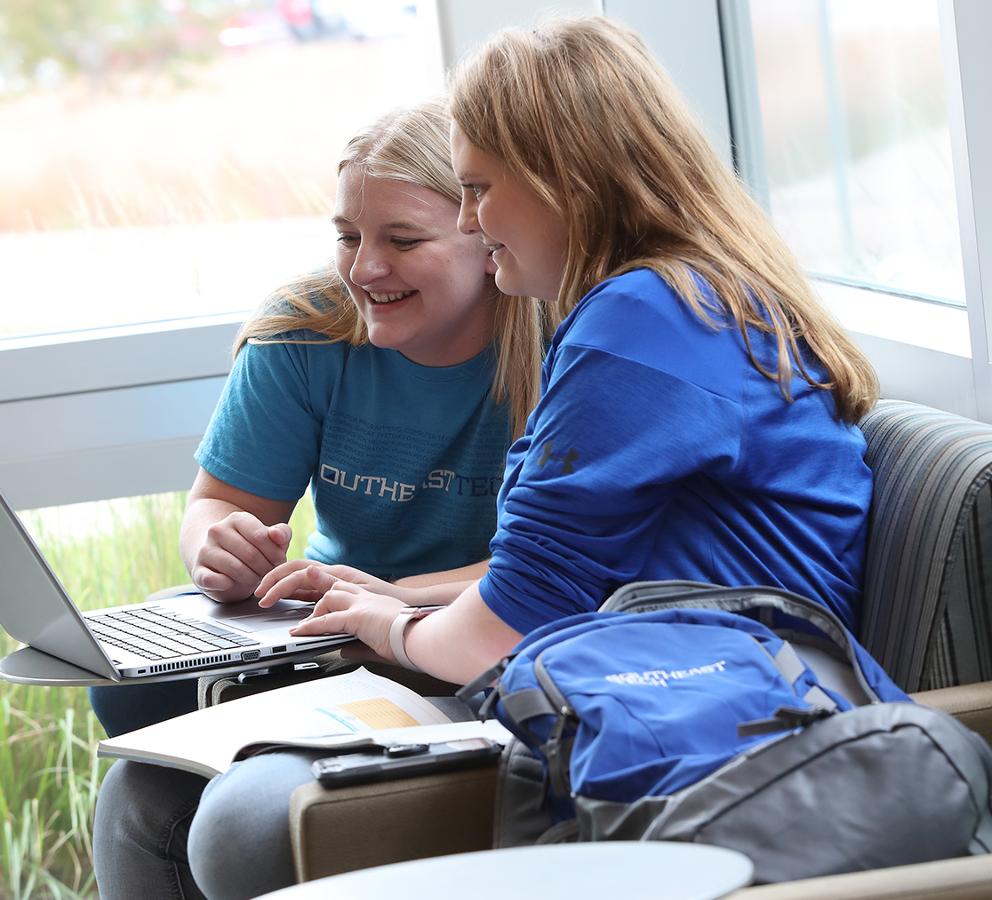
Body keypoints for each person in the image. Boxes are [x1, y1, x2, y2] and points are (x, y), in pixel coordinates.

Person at [97, 16, 882, 899]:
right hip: (642, 673)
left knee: (247, 820)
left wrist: (382, 619)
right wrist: (384, 602)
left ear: (562, 180)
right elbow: (556, 581)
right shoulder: (675, 297)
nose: (473, 217)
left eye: (477, 189)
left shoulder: (641, 322)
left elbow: (505, 627)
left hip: (702, 706)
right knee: (140, 788)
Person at [90, 97, 543, 899]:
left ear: (488, 236)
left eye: (402, 240)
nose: (363, 268)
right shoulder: (307, 328)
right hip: (328, 632)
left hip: (464, 642)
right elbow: (219, 504)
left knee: (208, 805)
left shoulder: (557, 343)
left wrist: (393, 603)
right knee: (130, 775)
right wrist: (219, 546)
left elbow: (546, 575)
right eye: (347, 235)